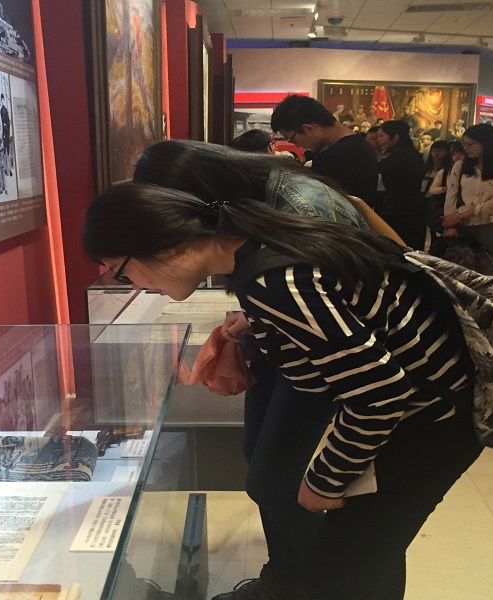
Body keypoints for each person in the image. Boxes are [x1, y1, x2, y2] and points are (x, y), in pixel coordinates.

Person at [83, 182, 484, 600]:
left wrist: (325, 479)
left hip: (435, 417)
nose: (134, 286)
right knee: (367, 552)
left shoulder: (273, 281)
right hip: (428, 405)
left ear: (160, 243)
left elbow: (380, 392)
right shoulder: (256, 244)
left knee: (349, 569)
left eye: (122, 271)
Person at [131, 139, 404, 600]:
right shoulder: (255, 204)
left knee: (277, 482)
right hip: (294, 346)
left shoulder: (299, 203)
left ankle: (324, 583)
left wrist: (328, 476)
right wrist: (257, 317)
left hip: (328, 357)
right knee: (262, 462)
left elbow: (337, 318)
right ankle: (289, 578)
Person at [270, 95, 379, 208]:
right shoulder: (360, 145)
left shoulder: (335, 156)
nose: (296, 145)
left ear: (308, 129)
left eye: (292, 139)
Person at [442, 123, 493, 269]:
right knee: (454, 269)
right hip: (461, 224)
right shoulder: (460, 165)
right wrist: (451, 223)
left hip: (490, 224)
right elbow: (451, 195)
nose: (466, 148)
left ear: (486, 144)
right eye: (464, 144)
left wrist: (465, 214)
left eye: (470, 144)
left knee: (480, 271)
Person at [375, 120, 428, 250]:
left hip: (402, 206)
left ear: (395, 137)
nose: (378, 140)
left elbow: (376, 168)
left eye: (381, 136)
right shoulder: (410, 152)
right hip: (409, 203)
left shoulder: (400, 155)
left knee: (399, 245)